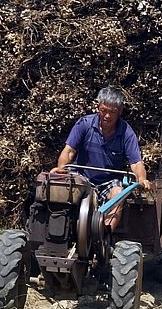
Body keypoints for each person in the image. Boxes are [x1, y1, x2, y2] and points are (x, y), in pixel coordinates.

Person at [53, 86, 151, 230]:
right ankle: (63, 229)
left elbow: (136, 163)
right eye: (104, 110)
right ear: (98, 106)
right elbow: (69, 151)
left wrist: (142, 179)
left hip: (109, 182)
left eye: (112, 112)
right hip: (82, 177)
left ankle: (103, 234)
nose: (107, 116)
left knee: (119, 193)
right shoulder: (84, 124)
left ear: (120, 111)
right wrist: (61, 169)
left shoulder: (126, 133)